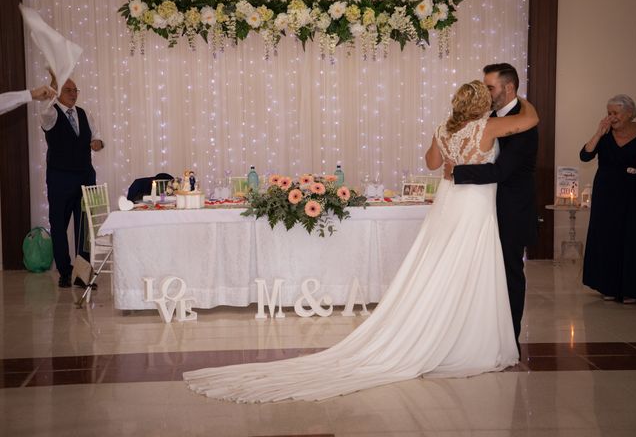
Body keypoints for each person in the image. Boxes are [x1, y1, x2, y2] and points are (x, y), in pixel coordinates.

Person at [183, 81, 539, 403]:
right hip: (474, 205)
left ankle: (441, 325)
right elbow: (530, 120)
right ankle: (466, 336)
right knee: (471, 267)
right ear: (480, 103)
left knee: (436, 264)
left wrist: (452, 155)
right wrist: (519, 96)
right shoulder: (489, 126)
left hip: (447, 205)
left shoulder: (443, 129)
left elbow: (432, 163)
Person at [447, 63, 538, 356]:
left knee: (510, 274)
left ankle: (508, 341)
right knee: (483, 274)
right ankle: (483, 335)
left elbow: (502, 171)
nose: (486, 92)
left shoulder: (523, 122)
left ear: (508, 88)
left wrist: (458, 173)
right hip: (483, 209)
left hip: (511, 211)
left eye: (490, 87)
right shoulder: (488, 117)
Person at [41, 78, 104, 288]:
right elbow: (45, 115)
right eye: (67, 90)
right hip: (60, 177)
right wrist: (52, 86)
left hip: (86, 176)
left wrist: (97, 143)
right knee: (59, 225)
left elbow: (97, 137)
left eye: (75, 90)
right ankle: (65, 272)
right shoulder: (50, 114)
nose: (73, 94)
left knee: (85, 226)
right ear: (57, 92)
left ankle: (82, 273)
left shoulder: (85, 113)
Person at [580, 94, 636, 303]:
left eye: (616, 113)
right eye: (609, 113)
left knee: (632, 237)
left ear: (630, 114)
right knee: (607, 236)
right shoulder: (604, 136)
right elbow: (585, 155)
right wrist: (598, 132)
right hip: (606, 193)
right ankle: (608, 285)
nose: (611, 117)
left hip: (633, 194)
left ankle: (632, 288)